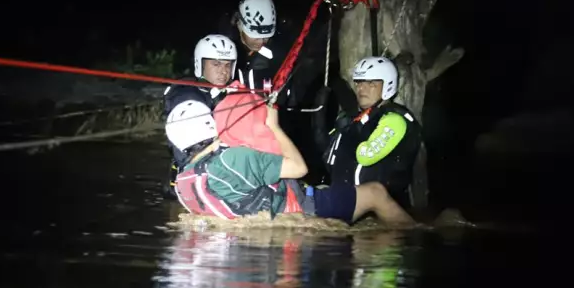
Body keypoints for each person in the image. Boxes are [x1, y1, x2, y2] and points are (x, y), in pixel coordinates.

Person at [166, 86, 414, 225]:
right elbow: (299, 168)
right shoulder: (235, 160)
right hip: (303, 209)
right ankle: (415, 236)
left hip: (260, 215)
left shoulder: (184, 179)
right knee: (376, 193)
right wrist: (274, 126)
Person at [313, 57, 423, 205]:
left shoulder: (394, 120)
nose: (361, 88)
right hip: (346, 199)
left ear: (387, 85)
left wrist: (350, 130)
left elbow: (366, 156)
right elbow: (330, 155)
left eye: (371, 83)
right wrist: (318, 117)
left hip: (378, 208)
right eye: (359, 82)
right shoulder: (358, 118)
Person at [162, 34, 238, 196]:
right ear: (200, 64)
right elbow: (197, 150)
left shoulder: (225, 92)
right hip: (189, 188)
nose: (223, 71)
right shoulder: (187, 93)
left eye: (227, 65)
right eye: (216, 64)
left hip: (215, 181)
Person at [225, 0, 281, 92]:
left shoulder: (278, 53)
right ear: (239, 25)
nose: (262, 41)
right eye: (255, 36)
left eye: (266, 36)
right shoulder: (224, 51)